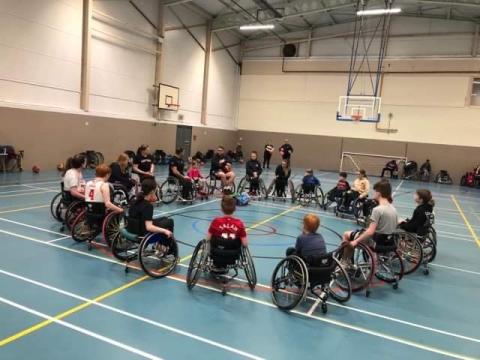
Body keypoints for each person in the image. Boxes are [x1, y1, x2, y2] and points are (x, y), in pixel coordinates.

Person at [341, 180, 398, 261]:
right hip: (387, 241)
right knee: (361, 231)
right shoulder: (393, 208)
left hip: (374, 241)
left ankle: (345, 263)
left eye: (375, 191)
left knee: (346, 234)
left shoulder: (378, 210)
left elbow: (370, 232)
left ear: (379, 193)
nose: (374, 193)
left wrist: (356, 241)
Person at [128, 179, 174, 251]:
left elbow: (154, 199)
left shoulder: (134, 200)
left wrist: (154, 197)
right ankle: (165, 246)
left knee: (165, 218)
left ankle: (161, 245)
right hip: (143, 233)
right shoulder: (147, 206)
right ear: (152, 191)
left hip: (133, 227)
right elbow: (149, 227)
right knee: (170, 222)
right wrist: (165, 231)